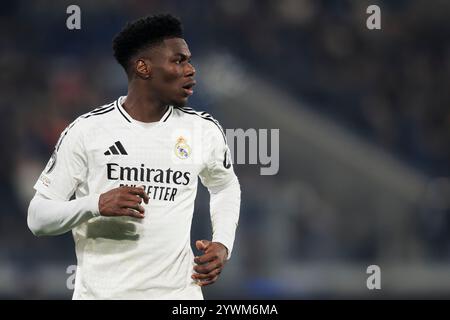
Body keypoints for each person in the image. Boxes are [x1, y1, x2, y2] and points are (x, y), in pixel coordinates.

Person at [27, 14, 240, 300]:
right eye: (178, 61)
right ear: (143, 67)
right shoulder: (87, 131)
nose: (190, 70)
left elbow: (225, 185)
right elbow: (38, 218)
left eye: (189, 60)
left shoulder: (203, 129)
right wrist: (96, 204)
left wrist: (223, 242)